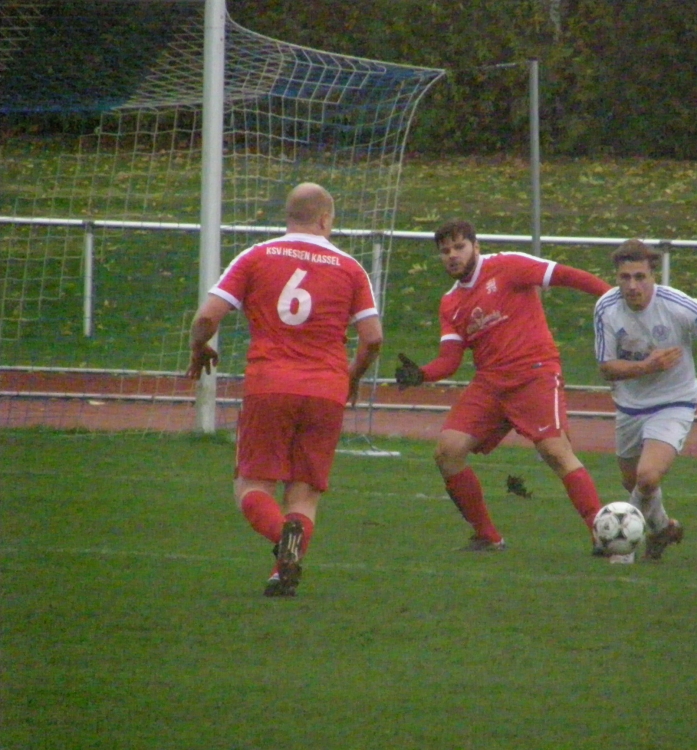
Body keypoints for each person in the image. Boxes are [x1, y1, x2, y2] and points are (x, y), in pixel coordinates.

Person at [187, 182, 383, 597]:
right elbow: (373, 337)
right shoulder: (351, 268)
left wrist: (199, 347)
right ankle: (282, 573)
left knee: (252, 486)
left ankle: (282, 539)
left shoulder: (255, 256)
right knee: (304, 495)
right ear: (325, 219)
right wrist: (352, 376)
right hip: (327, 390)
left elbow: (206, 318)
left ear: (289, 216)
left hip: (270, 385)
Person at [394, 219, 612, 552]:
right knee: (448, 452)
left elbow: (566, 275)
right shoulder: (450, 303)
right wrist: (421, 374)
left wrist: (611, 298)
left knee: (555, 451)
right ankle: (488, 536)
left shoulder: (508, 266)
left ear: (476, 246)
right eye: (445, 251)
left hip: (534, 373)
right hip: (491, 383)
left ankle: (601, 532)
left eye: (459, 247)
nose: (452, 255)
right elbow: (449, 361)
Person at [593, 239, 697, 563]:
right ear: (616, 277)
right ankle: (662, 528)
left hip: (674, 401)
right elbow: (606, 367)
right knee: (632, 482)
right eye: (625, 277)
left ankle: (622, 545)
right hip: (629, 406)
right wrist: (647, 367)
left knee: (647, 477)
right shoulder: (606, 308)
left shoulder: (678, 305)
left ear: (652, 276)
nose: (633, 285)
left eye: (640, 277)